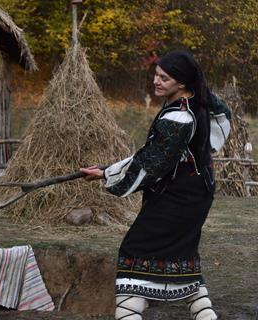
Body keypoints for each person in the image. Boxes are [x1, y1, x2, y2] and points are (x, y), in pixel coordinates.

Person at [80, 50, 230, 320]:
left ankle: (128, 314)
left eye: (165, 78)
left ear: (182, 83)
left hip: (178, 197)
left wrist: (107, 176)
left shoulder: (179, 117)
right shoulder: (198, 103)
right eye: (156, 74)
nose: (156, 81)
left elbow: (151, 164)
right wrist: (107, 169)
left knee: (135, 252)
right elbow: (162, 152)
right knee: (180, 256)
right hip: (195, 194)